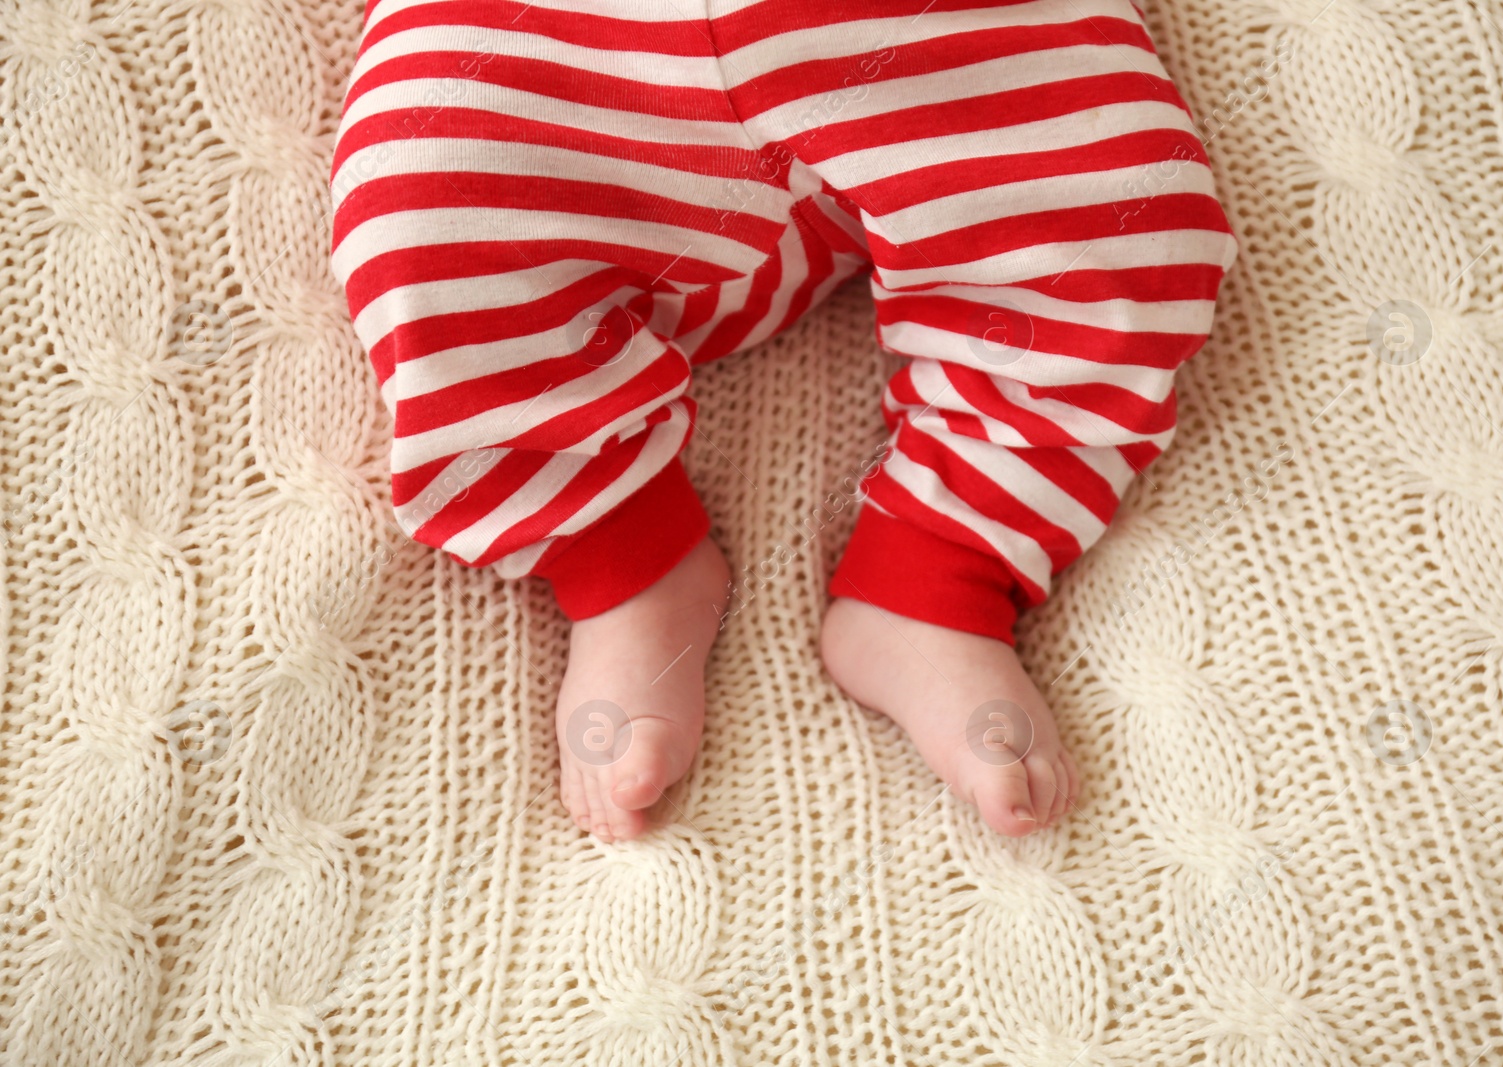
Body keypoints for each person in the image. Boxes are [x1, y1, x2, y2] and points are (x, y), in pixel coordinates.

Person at [329, 0, 1239, 842]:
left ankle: (940, 566)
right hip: (577, 58)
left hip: (920, 53)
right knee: (417, 194)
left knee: (1135, 221)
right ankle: (623, 552)